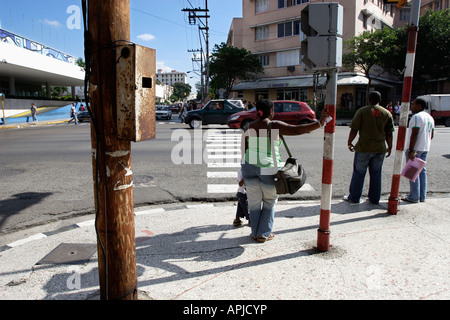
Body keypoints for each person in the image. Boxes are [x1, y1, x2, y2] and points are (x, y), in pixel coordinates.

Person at [241, 99, 328, 243]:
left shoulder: (248, 126)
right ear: (271, 112)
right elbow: (298, 130)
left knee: (254, 201)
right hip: (267, 168)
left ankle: (254, 232)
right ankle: (263, 234)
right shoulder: (274, 125)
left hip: (249, 167)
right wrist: (319, 123)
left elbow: (244, 150)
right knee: (269, 200)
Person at [344, 91, 394, 205]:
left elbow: (354, 129)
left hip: (363, 148)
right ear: (380, 100)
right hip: (379, 149)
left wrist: (349, 142)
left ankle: (354, 197)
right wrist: (390, 147)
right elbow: (389, 133)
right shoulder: (386, 113)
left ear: (368, 99)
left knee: (359, 173)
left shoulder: (362, 111)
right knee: (376, 174)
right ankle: (374, 199)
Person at [402, 98, 435, 203]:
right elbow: (432, 135)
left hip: (415, 148)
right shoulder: (430, 117)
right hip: (425, 147)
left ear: (419, 106)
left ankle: (414, 196)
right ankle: (422, 196)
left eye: (414, 105)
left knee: (413, 173)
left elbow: (414, 133)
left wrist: (411, 150)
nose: (412, 107)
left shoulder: (417, 117)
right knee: (422, 172)